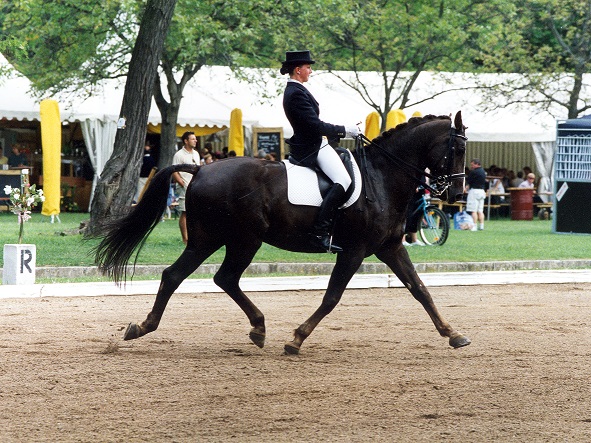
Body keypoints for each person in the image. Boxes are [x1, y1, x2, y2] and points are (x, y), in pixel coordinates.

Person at [281, 49, 361, 252]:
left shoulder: (297, 90)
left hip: (316, 143)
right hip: (311, 147)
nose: (310, 71)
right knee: (343, 181)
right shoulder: (295, 93)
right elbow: (314, 125)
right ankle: (319, 234)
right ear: (298, 70)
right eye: (308, 67)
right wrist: (345, 130)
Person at [172, 131, 201, 245]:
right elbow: (174, 171)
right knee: (185, 212)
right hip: (184, 186)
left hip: (195, 187)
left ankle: (194, 236)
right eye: (193, 139)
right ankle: (185, 239)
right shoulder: (179, 155)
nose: (195, 141)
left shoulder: (196, 154)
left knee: (194, 212)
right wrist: (182, 183)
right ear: (186, 141)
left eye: (195, 139)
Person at [465, 158, 486, 231]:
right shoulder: (483, 172)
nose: (471, 166)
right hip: (482, 192)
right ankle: (481, 226)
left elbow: (469, 182)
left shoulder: (473, 172)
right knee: (480, 211)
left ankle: (474, 226)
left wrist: (465, 188)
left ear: (477, 164)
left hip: (474, 191)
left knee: (473, 210)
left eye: (472, 165)